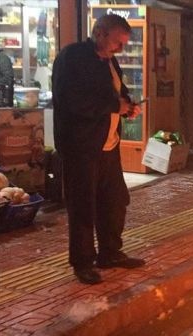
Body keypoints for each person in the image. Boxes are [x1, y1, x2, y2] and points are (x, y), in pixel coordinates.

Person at [52, 14, 145, 285]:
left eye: (124, 44)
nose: (121, 49)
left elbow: (117, 92)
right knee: (83, 205)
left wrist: (128, 104)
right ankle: (82, 262)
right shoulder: (73, 58)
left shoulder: (109, 60)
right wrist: (116, 106)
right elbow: (73, 101)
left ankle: (110, 252)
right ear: (101, 33)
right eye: (118, 42)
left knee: (115, 201)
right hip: (81, 147)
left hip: (108, 146)